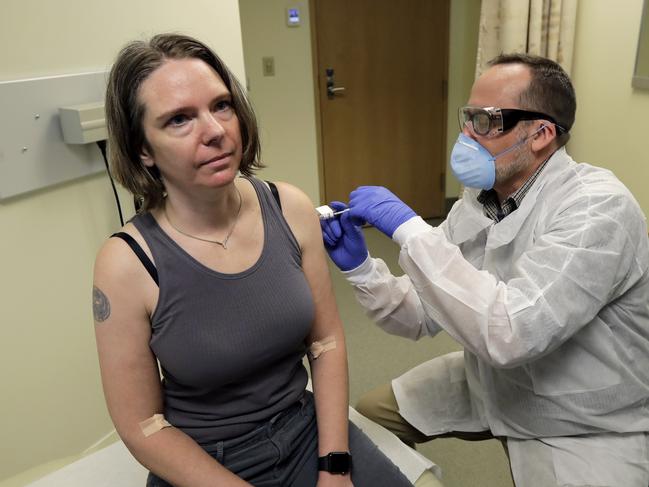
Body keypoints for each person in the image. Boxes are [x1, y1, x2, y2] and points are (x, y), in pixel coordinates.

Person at [93, 33, 416, 487]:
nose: (215, 131)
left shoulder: (290, 208)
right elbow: (143, 427)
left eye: (221, 105)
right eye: (180, 119)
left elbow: (326, 343)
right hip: (206, 462)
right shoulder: (127, 263)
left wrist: (335, 466)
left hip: (306, 432)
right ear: (142, 149)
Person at [321, 53, 649, 487]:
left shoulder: (596, 208)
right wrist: (363, 269)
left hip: (582, 417)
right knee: (367, 420)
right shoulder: (480, 198)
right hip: (492, 381)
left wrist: (412, 232)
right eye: (467, 117)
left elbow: (511, 332)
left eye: (485, 120)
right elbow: (421, 314)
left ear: (541, 134)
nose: (466, 135)